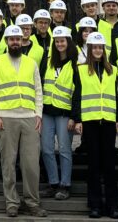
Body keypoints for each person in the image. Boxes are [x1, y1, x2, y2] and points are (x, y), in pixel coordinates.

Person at [0, 25, 45, 218]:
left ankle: (32, 202)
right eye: (11, 39)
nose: (15, 42)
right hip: (6, 118)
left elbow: (38, 90)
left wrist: (38, 114)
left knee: (31, 164)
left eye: (18, 39)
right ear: (6, 41)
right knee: (8, 163)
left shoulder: (31, 63)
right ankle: (12, 202)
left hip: (29, 118)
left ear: (22, 41)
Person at [76, 32, 118, 220]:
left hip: (109, 121)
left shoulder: (114, 70)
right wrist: (77, 119)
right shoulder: (80, 70)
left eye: (100, 47)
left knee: (109, 165)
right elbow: (77, 95)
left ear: (104, 50)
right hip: (90, 121)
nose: (97, 50)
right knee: (93, 165)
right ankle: (94, 205)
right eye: (94, 47)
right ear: (89, 49)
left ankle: (113, 206)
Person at [41, 26, 77, 201]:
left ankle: (65, 184)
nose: (59, 44)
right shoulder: (47, 61)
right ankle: (53, 183)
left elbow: (78, 93)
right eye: (56, 41)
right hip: (47, 112)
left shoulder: (75, 63)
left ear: (68, 42)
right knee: (47, 149)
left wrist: (74, 117)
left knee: (64, 150)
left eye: (62, 41)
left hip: (64, 113)